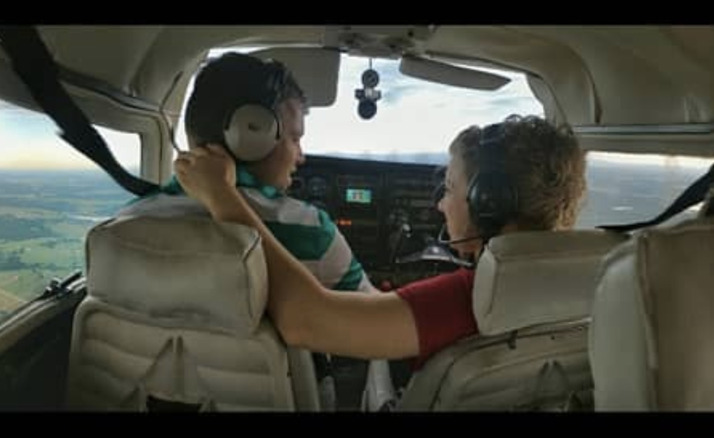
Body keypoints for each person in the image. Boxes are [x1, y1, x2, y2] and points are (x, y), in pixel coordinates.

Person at [174, 113, 587, 370]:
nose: (441, 204)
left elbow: (306, 320)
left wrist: (222, 196)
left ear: (489, 201)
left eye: (449, 187)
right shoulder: (594, 282)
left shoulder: (473, 296)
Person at [117, 52, 379, 409]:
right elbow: (373, 323)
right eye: (295, 138)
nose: (301, 156)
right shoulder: (310, 231)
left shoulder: (122, 229)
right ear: (251, 132)